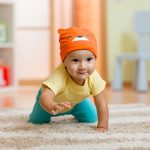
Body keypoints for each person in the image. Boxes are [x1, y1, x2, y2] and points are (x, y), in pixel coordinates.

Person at [29, 27, 109, 132]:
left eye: (89, 59)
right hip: (50, 103)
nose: (83, 66)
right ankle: (43, 112)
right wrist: (51, 105)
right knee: (36, 121)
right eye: (75, 60)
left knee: (92, 118)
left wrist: (102, 127)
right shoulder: (59, 75)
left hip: (77, 102)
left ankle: (78, 105)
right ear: (64, 62)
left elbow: (101, 104)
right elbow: (46, 96)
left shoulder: (94, 77)